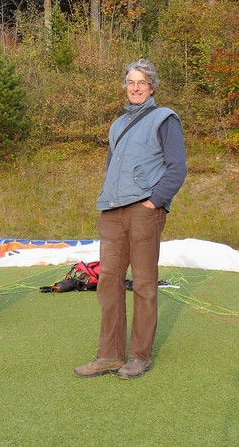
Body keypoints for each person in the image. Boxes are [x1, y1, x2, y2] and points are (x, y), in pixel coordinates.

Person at [74, 59, 187, 379]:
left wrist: (155, 201)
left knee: (144, 284)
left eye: (141, 82)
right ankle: (109, 355)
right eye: (130, 82)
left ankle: (139, 356)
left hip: (144, 211)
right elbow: (112, 167)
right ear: (125, 86)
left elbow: (177, 167)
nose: (135, 87)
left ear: (152, 86)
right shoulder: (117, 124)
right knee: (107, 282)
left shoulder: (165, 119)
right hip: (111, 211)